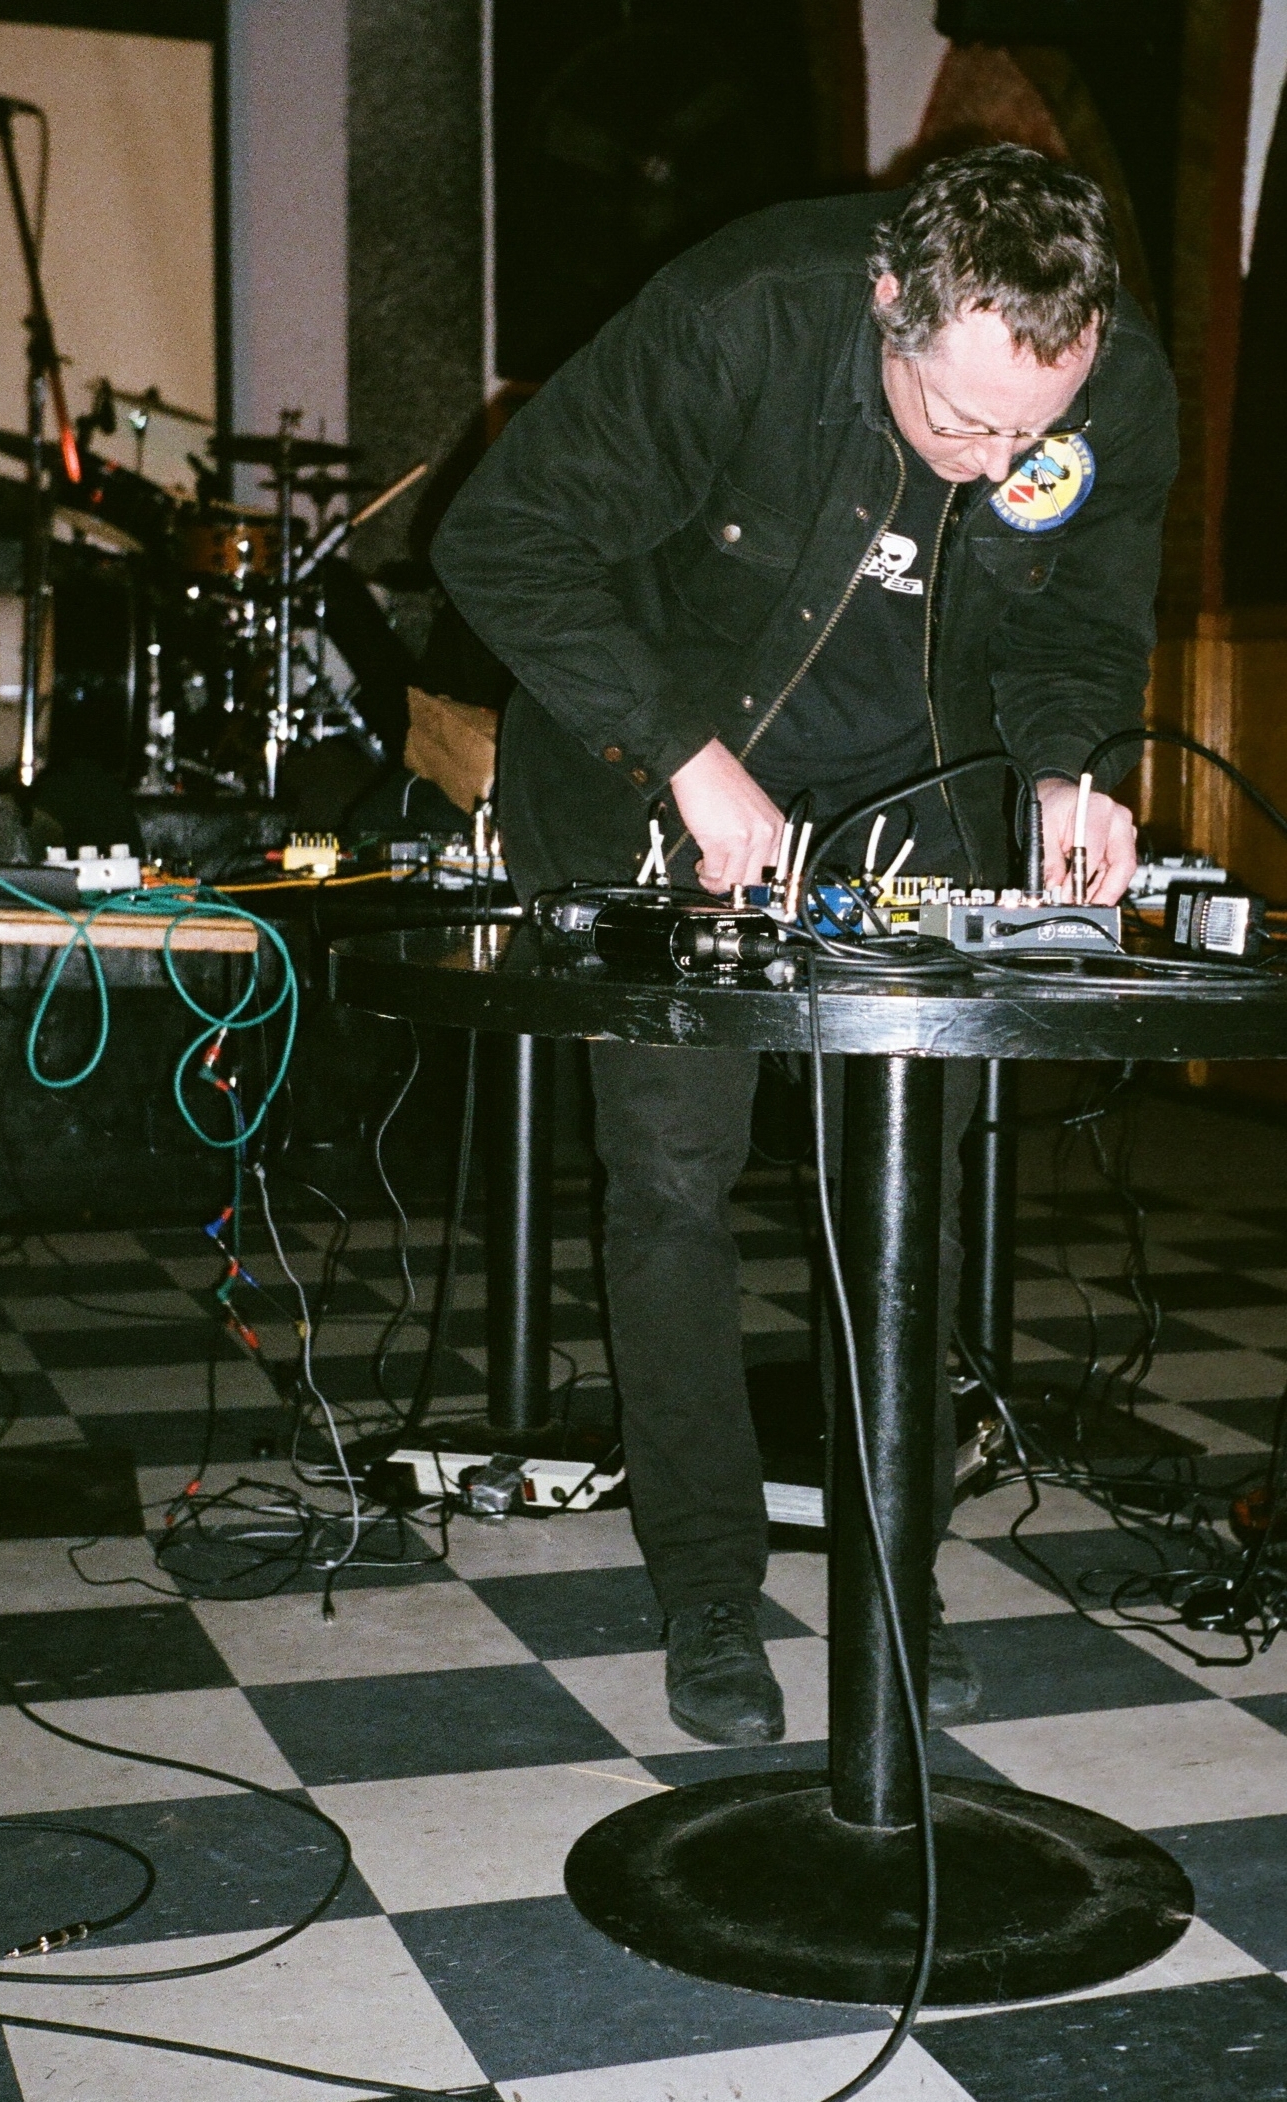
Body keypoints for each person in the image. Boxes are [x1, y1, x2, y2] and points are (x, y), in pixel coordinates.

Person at [432, 145, 1179, 1745]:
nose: (991, 465)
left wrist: (1067, 765)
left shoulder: (1106, 383)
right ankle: (707, 1584)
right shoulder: (744, 313)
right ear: (891, 300)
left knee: (901, 1189)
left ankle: (889, 1579)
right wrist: (689, 756)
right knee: (675, 1182)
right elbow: (500, 540)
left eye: (1030, 431)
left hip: (918, 796)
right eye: (961, 422)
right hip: (664, 765)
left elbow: (1083, 617)